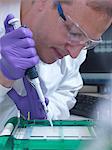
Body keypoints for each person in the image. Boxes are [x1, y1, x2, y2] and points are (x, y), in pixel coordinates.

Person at [0, 0, 112, 132]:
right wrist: (2, 77)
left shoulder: (76, 48)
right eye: (74, 33)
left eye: (88, 43)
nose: (74, 53)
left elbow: (66, 91)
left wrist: (47, 113)